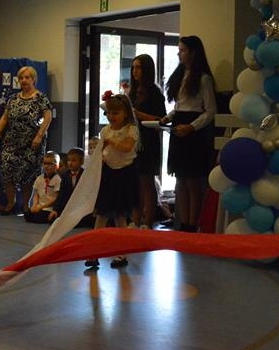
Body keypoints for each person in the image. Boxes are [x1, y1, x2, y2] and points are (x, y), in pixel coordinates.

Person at [162, 35, 216, 232]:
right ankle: (183, 221)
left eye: (183, 50)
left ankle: (193, 224)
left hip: (194, 132)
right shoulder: (181, 75)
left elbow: (210, 111)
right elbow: (180, 106)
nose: (179, 54)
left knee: (193, 181)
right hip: (179, 126)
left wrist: (192, 127)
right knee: (180, 180)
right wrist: (167, 118)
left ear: (193, 53)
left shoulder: (204, 79)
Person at [86, 93, 139, 269]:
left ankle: (121, 254)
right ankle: (93, 253)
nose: (111, 116)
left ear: (125, 113)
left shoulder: (131, 129)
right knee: (101, 214)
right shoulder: (105, 131)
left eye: (115, 113)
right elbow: (102, 151)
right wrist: (99, 159)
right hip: (108, 173)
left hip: (124, 174)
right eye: (109, 113)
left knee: (120, 216)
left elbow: (127, 147)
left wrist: (111, 142)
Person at [0, 66, 52, 215]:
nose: (24, 80)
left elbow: (48, 117)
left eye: (27, 77)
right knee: (7, 171)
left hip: (32, 143)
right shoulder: (13, 98)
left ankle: (25, 205)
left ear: (33, 80)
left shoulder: (40, 97)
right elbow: (5, 117)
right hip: (11, 142)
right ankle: (11, 203)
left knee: (28, 175)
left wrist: (39, 136)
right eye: (21, 78)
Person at [129, 54, 167, 229]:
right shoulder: (132, 92)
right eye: (133, 67)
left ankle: (147, 221)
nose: (135, 71)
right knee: (135, 183)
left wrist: (137, 114)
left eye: (138, 67)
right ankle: (135, 220)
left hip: (149, 141)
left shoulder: (155, 93)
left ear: (147, 70)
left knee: (147, 182)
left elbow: (161, 119)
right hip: (134, 141)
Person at [52, 147, 94, 227]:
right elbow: (62, 194)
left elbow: (88, 193)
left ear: (81, 162)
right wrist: (55, 209)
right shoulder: (65, 175)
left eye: (74, 160)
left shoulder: (85, 174)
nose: (70, 163)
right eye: (68, 160)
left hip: (80, 206)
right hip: (68, 206)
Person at [23, 151, 61, 224]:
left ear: (56, 166)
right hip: (39, 206)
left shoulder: (58, 180)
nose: (46, 166)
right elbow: (36, 194)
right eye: (45, 163)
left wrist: (41, 207)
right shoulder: (39, 178)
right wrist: (35, 205)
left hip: (49, 208)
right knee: (27, 214)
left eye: (50, 164)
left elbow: (55, 198)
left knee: (39, 217)